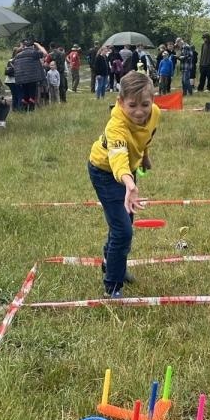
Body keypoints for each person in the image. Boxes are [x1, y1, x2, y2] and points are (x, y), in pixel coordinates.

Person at [87, 71, 161, 298]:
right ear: (120, 102)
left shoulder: (155, 113)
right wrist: (129, 184)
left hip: (128, 173)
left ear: (153, 100)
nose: (139, 112)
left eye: (145, 104)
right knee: (123, 231)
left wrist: (144, 156)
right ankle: (113, 286)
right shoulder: (115, 126)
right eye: (132, 105)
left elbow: (146, 136)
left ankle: (110, 261)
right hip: (105, 172)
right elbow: (117, 156)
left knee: (124, 223)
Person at [13, 39, 47, 111]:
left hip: (21, 79)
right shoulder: (33, 52)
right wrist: (39, 45)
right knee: (32, 95)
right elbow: (45, 53)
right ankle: (31, 111)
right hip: (32, 78)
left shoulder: (18, 55)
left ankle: (24, 111)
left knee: (25, 95)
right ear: (32, 46)